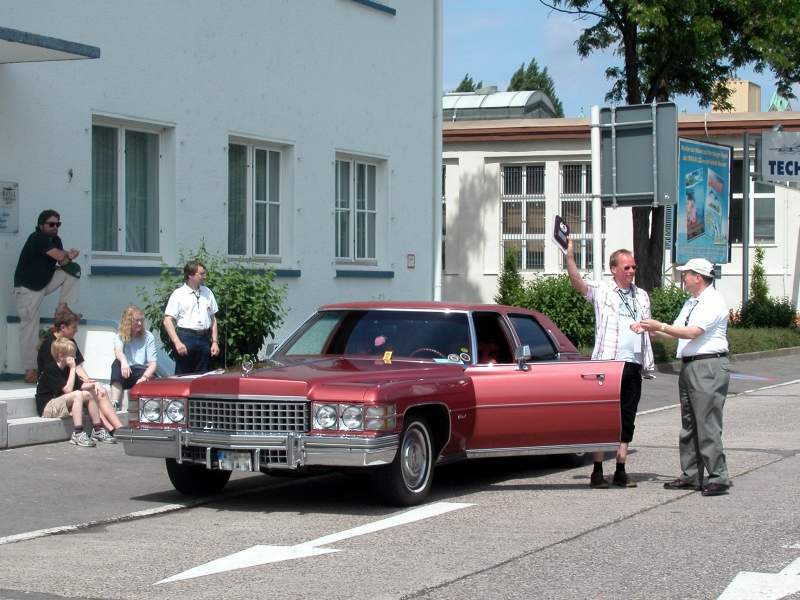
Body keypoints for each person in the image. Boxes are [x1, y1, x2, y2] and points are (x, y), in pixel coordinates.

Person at [635, 257, 731, 497]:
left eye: (686, 274)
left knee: (707, 423)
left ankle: (718, 476)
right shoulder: (692, 302)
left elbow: (692, 332)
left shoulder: (713, 302)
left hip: (708, 366)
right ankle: (691, 474)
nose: (683, 278)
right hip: (691, 367)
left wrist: (661, 326)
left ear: (698, 277)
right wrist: (650, 330)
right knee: (689, 424)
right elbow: (676, 332)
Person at [565, 238, 654, 488]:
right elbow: (578, 284)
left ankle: (621, 469)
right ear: (614, 269)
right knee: (603, 417)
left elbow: (648, 326)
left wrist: (654, 329)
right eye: (626, 267)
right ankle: (597, 470)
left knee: (627, 417)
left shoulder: (642, 296)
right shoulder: (603, 291)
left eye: (634, 267)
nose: (631, 271)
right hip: (607, 363)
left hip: (633, 363)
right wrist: (570, 257)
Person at [13, 209, 80, 383]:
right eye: (51, 224)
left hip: (43, 283)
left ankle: (62, 309)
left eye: (58, 224)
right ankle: (30, 369)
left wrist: (69, 258)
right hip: (28, 288)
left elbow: (63, 262)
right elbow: (59, 255)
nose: (55, 227)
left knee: (73, 270)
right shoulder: (37, 238)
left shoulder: (55, 239)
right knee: (29, 327)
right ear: (42, 225)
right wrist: (67, 254)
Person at [38, 307, 123, 438]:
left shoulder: (69, 343)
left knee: (99, 391)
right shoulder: (50, 346)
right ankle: (107, 427)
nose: (76, 330)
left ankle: (118, 428)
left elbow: (77, 366)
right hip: (56, 390)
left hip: (68, 383)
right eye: (73, 327)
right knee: (86, 393)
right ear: (63, 327)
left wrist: (92, 382)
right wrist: (82, 380)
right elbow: (64, 378)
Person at [35, 338, 112, 447]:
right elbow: (68, 390)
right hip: (47, 407)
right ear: (61, 356)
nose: (74, 358)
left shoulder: (66, 369)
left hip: (59, 403)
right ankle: (77, 433)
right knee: (77, 394)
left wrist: (96, 384)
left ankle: (97, 430)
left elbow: (80, 385)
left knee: (88, 394)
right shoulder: (51, 369)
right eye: (71, 355)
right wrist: (73, 368)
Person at [163, 261, 220, 374]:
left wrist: (214, 342)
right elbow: (167, 321)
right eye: (201, 274)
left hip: (204, 339)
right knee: (183, 376)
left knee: (202, 377)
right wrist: (177, 342)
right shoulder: (178, 294)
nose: (204, 276)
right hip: (186, 338)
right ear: (190, 275)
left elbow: (213, 319)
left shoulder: (207, 292)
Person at [110, 305, 158, 409]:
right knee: (116, 364)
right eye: (137, 320)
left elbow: (153, 364)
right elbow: (118, 351)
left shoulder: (148, 336)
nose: (140, 323)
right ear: (128, 321)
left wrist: (144, 377)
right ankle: (115, 402)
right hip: (127, 371)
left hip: (142, 371)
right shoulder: (120, 335)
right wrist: (124, 361)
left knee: (149, 375)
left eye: (141, 320)